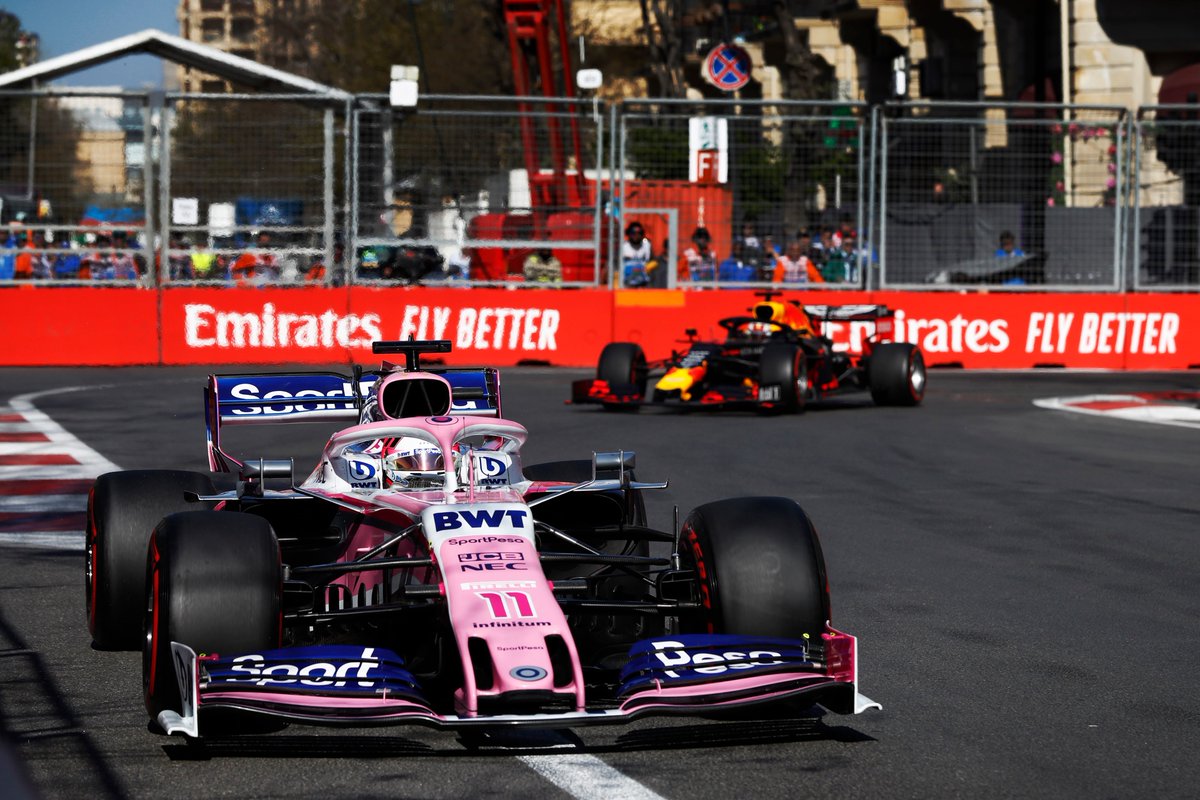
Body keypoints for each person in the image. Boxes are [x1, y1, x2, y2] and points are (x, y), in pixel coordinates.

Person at [621, 221, 652, 287]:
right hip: (626, 284)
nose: (636, 236)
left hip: (644, 284)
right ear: (628, 234)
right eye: (633, 233)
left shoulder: (647, 246)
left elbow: (652, 263)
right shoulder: (623, 247)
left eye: (639, 233)